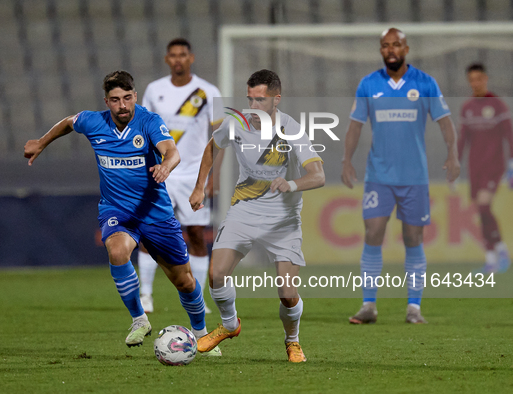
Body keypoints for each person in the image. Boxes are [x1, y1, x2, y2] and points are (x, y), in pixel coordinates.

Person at [24, 71, 219, 354]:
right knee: (117, 252)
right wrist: (41, 142)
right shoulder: (93, 121)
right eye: (115, 100)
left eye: (127, 98)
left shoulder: (149, 121)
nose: (123, 105)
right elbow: (69, 122)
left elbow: (172, 151)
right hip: (117, 210)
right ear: (107, 101)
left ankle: (202, 333)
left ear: (135, 96)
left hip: (155, 212)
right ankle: (139, 319)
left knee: (185, 282)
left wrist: (166, 165)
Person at [189, 69, 325, 362]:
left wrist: (291, 184)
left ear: (277, 99)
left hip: (283, 218)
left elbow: (318, 175)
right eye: (250, 99)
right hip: (245, 209)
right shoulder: (236, 122)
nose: (253, 107)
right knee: (216, 274)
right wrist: (200, 187)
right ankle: (229, 324)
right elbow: (213, 146)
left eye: (260, 100)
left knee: (287, 293)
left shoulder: (292, 130)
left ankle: (292, 340)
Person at [341, 28, 460, 324]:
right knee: (372, 233)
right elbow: (355, 126)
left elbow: (445, 122)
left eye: (396, 44)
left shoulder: (425, 83)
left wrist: (453, 153)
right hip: (378, 175)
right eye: (385, 45)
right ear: (381, 50)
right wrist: (346, 160)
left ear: (406, 48)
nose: (391, 49)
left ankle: (414, 308)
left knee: (413, 237)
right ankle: (369, 306)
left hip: (414, 177)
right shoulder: (369, 84)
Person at [138, 38, 224, 314]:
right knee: (149, 234)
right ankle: (146, 294)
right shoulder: (154, 90)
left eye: (182, 55)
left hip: (192, 176)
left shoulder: (209, 92)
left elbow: (219, 138)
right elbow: (144, 131)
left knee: (197, 234)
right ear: (167, 59)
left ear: (191, 58)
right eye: (173, 55)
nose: (177, 60)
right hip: (160, 172)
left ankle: (197, 296)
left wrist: (213, 177)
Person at [458, 63, 513, 273]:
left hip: (494, 166)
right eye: (472, 80)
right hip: (476, 168)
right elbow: (463, 139)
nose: (476, 83)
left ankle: (496, 252)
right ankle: (495, 255)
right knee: (482, 212)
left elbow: (510, 134)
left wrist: (511, 163)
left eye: (479, 79)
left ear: (486, 79)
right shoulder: (467, 107)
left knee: (483, 206)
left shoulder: (497, 105)